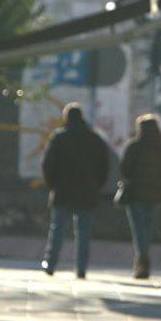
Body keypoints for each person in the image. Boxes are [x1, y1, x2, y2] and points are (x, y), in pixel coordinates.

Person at [40, 103, 110, 279]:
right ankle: (81, 268)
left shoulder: (59, 138)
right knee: (83, 233)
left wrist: (52, 185)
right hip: (87, 192)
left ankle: (51, 263)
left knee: (57, 230)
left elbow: (47, 165)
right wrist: (96, 186)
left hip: (62, 191)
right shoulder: (95, 139)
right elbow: (104, 167)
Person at [119, 114, 161, 279]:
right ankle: (142, 259)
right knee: (147, 229)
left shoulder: (134, 147)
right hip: (155, 195)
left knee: (138, 229)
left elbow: (124, 169)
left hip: (135, 194)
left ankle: (142, 260)